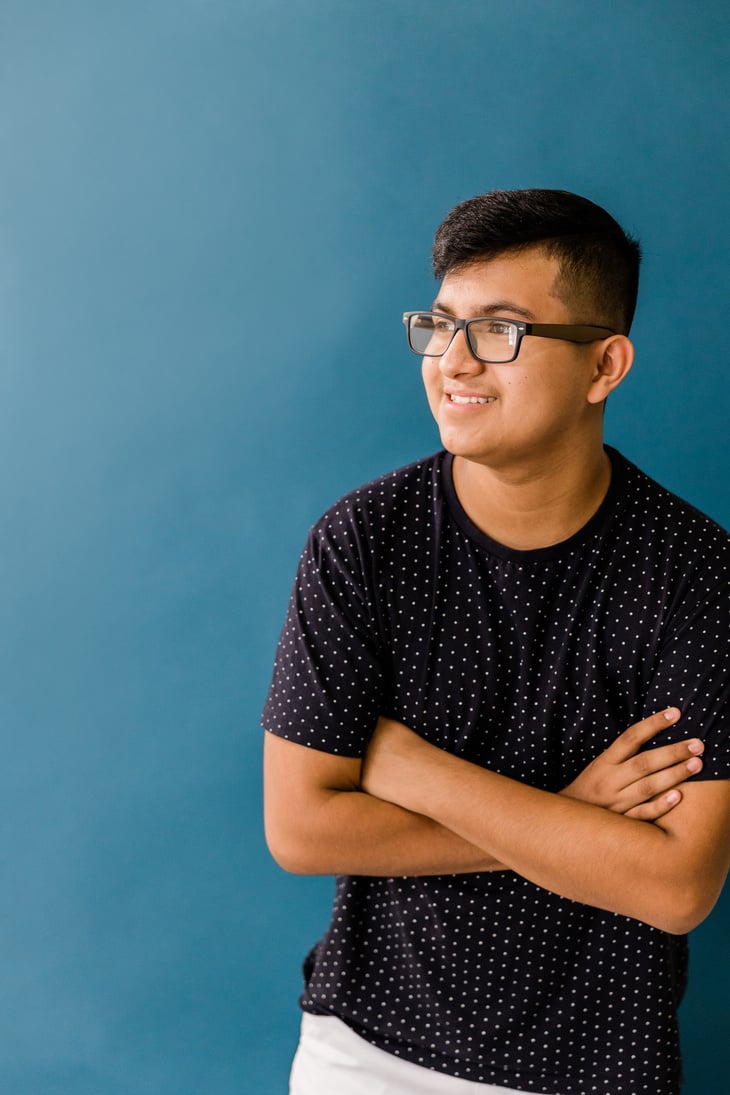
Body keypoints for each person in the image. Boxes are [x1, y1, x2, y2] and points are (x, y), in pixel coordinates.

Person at [262, 189, 730, 1095]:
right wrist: (573, 814)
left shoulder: (697, 575)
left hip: (598, 1065)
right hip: (364, 1048)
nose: (454, 361)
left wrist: (404, 765)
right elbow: (301, 825)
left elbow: (678, 886)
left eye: (502, 331)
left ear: (605, 364)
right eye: (441, 326)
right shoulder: (363, 539)